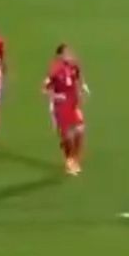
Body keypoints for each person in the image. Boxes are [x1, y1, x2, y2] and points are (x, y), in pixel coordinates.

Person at [42, 44, 88, 176]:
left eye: (70, 52)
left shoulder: (73, 65)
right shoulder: (55, 70)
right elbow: (44, 89)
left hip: (73, 103)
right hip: (61, 106)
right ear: (60, 56)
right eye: (67, 53)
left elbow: (78, 75)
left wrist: (83, 87)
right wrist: (56, 96)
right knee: (68, 135)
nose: (70, 55)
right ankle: (69, 160)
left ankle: (75, 158)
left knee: (80, 130)